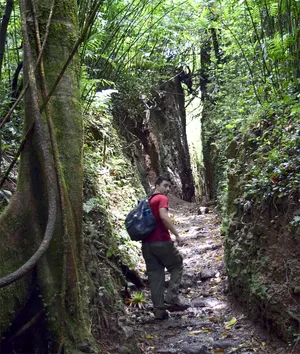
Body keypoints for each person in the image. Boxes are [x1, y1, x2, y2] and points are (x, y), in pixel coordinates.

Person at [142, 175, 189, 320]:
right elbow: (163, 216)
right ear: (157, 185)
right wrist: (177, 235)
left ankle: (159, 311)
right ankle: (171, 298)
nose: (167, 189)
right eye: (165, 185)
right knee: (177, 264)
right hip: (161, 241)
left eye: (169, 186)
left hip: (147, 245)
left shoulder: (147, 201)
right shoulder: (161, 198)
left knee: (155, 276)